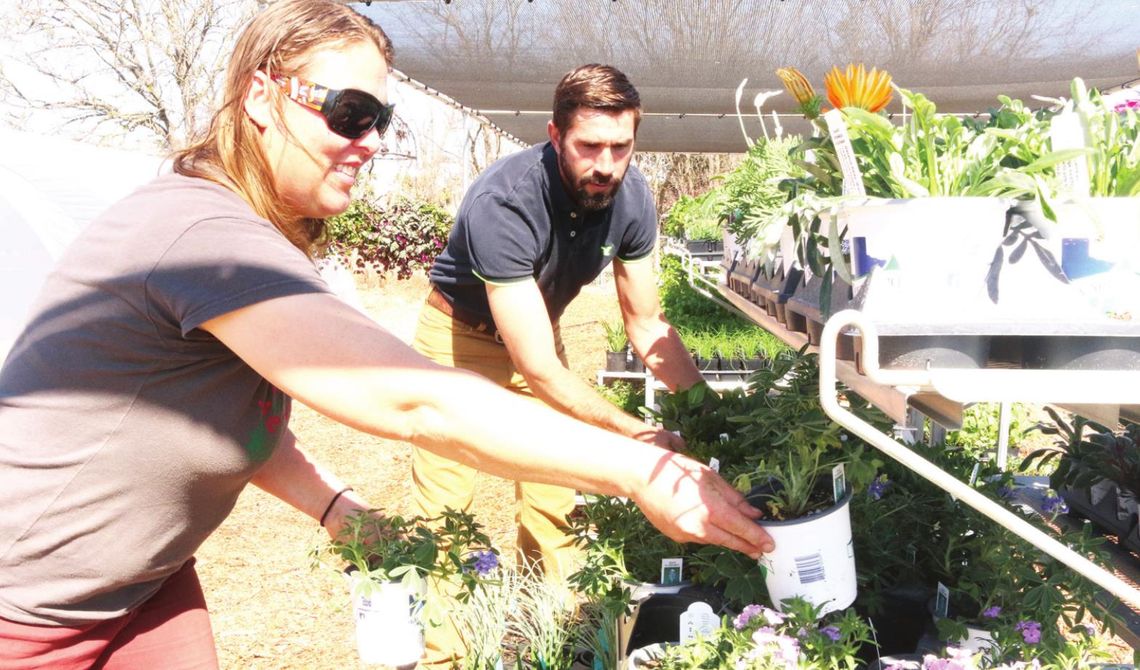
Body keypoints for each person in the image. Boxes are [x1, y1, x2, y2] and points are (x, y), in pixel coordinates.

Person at [0, 2, 772, 668]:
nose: (369, 139)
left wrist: (336, 508)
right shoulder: (202, 235)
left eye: (381, 119)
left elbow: (233, 418)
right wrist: (640, 467)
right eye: (347, 113)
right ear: (260, 98)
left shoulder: (250, 238)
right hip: (28, 608)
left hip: (147, 585)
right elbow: (415, 402)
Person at [413, 64, 704, 579]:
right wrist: (634, 432)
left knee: (555, 497)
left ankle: (549, 629)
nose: (606, 165)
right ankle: (446, 659)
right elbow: (539, 368)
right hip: (458, 339)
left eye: (621, 147)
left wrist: (706, 411)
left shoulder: (633, 199)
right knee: (447, 508)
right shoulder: (506, 201)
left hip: (539, 333)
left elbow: (646, 324)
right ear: (555, 135)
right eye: (589, 146)